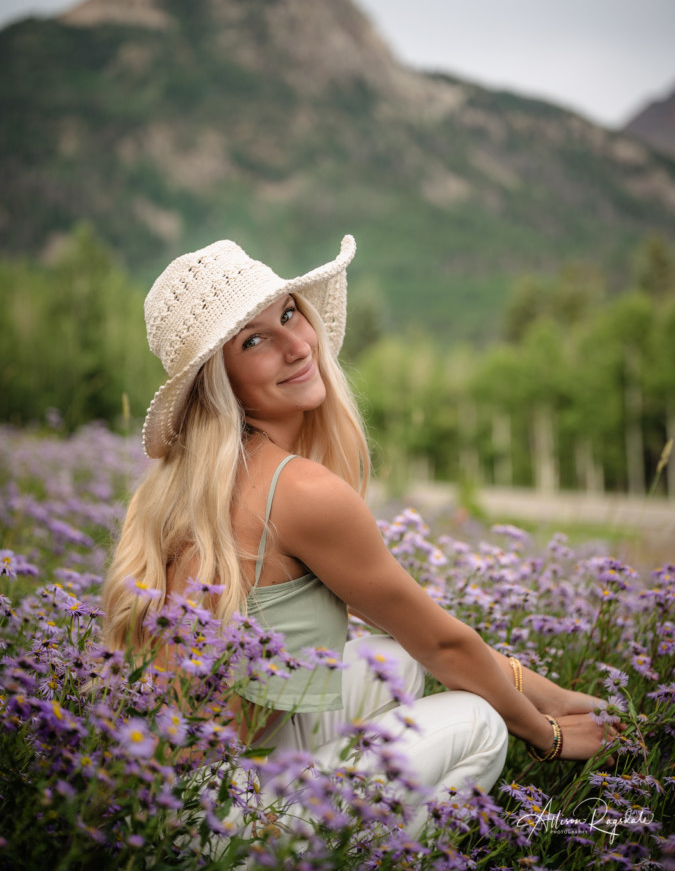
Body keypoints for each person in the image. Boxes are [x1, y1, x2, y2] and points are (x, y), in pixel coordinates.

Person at [102, 234, 617, 837]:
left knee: (387, 663)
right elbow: (446, 648)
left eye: (289, 313)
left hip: (170, 802)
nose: (298, 345)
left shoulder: (189, 484)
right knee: (479, 721)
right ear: (221, 381)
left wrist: (546, 692)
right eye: (256, 340)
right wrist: (549, 735)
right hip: (220, 825)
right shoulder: (297, 490)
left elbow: (417, 635)